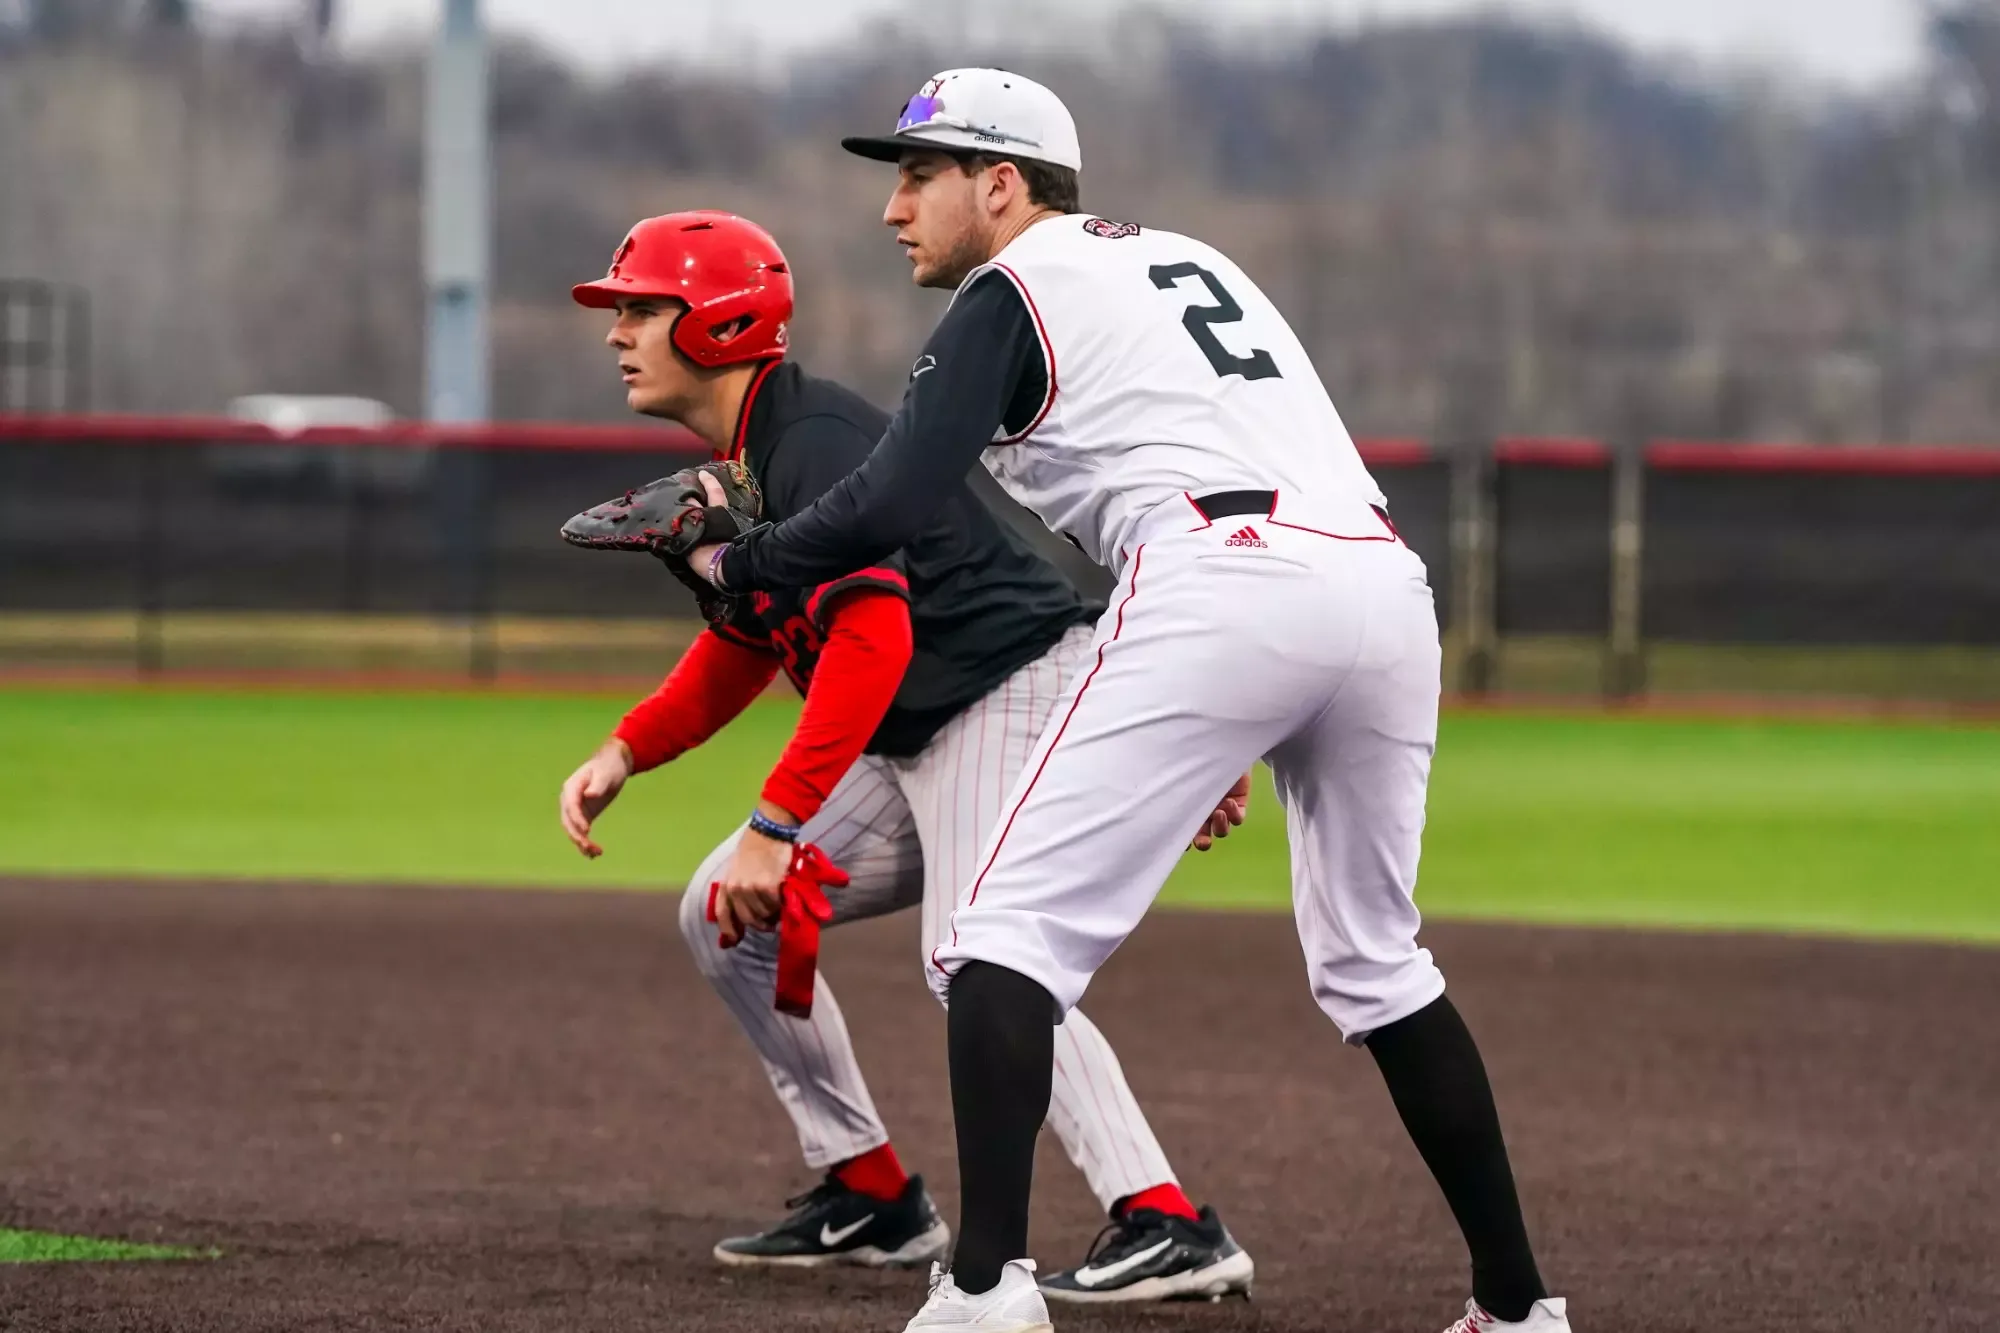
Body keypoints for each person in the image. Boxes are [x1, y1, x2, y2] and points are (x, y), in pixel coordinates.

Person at [689, 70, 1574, 1333]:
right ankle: (1518, 1308)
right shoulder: (1184, 259)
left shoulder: (1011, 289)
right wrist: (1214, 701)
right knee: (1377, 963)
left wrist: (744, 560)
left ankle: (986, 1292)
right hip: (1379, 586)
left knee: (998, 937)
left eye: (915, 175)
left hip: (1223, 578)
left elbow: (888, 500)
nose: (893, 209)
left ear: (999, 185)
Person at [555, 209, 1255, 1302]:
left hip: (1005, 691)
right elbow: (754, 632)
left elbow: (872, 638)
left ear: (722, 322)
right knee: (721, 918)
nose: (618, 329)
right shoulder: (753, 452)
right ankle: (871, 1192)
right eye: (621, 309)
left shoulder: (811, 443)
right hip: (919, 728)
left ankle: (1162, 1219)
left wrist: (776, 823)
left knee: (980, 958)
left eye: (644, 307)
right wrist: (628, 750)